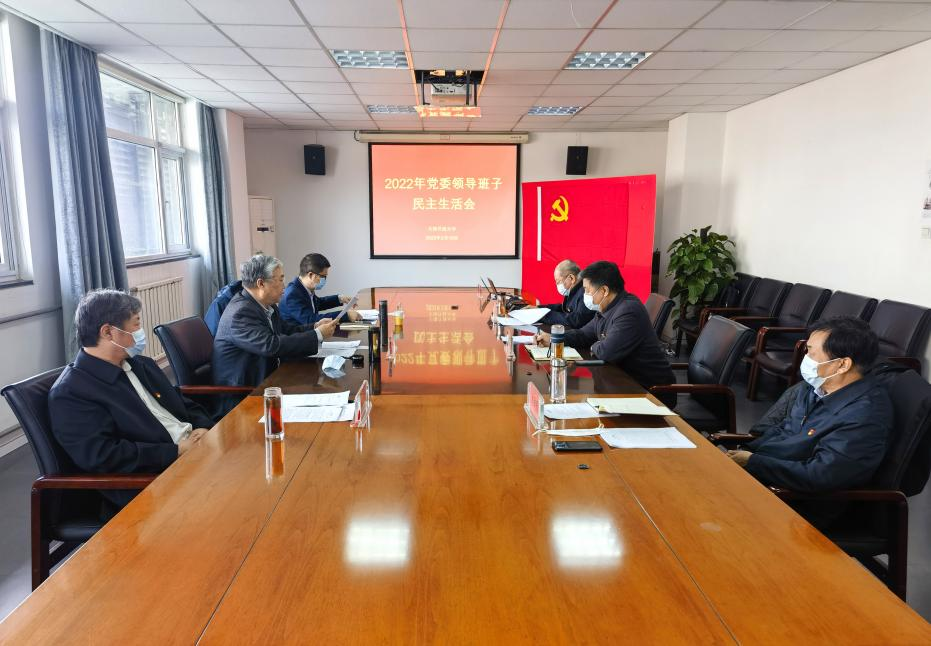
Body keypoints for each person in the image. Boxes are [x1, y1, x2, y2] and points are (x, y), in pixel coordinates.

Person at [48, 289, 214, 511]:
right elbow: (103, 455)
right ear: (108, 332)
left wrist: (204, 427)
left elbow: (182, 403)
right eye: (136, 324)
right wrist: (176, 451)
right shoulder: (71, 392)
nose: (140, 332)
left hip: (195, 453)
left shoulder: (141, 364)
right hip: (153, 482)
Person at [727, 317, 892, 501]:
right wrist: (746, 451)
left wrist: (753, 462)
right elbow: (785, 430)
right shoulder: (816, 387)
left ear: (842, 365)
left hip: (794, 498)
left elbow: (819, 475)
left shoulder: (864, 417)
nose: (805, 358)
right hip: (767, 473)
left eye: (811, 353)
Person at [212, 255, 338, 412]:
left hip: (270, 381)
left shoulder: (266, 304)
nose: (284, 285)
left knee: (323, 391)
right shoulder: (240, 313)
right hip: (243, 396)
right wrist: (317, 335)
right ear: (261, 283)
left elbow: (285, 330)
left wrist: (315, 327)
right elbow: (271, 345)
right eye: (280, 280)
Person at [534, 260, 674, 392]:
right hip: (621, 379)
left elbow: (606, 352)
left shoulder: (628, 311)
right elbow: (583, 334)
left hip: (648, 390)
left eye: (587, 290)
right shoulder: (606, 308)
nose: (585, 295)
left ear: (604, 291)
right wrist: (554, 339)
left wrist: (595, 345)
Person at [279, 253, 359, 326]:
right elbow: (310, 320)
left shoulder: (303, 288)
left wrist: (340, 298)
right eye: (323, 276)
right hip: (299, 336)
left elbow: (318, 303)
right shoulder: (292, 294)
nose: (325, 280)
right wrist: (345, 315)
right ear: (311, 275)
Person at [540, 259, 596, 329]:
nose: (557, 285)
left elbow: (576, 320)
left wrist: (542, 315)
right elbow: (564, 308)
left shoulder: (585, 291)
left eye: (558, 281)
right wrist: (540, 308)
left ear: (571, 278)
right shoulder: (574, 290)